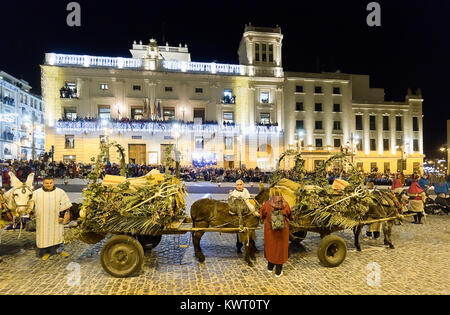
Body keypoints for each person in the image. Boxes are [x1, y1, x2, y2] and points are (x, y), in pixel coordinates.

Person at [31, 176, 72, 260]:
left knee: (58, 234)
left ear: (53, 182)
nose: (48, 185)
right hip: (42, 219)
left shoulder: (60, 192)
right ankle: (45, 252)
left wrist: (61, 216)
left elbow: (64, 205)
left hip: (56, 218)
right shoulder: (36, 193)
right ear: (43, 183)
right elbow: (30, 205)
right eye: (46, 183)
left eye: (50, 183)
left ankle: (59, 250)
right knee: (44, 236)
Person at [259, 188, 291, 277]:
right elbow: (290, 215)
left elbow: (261, 214)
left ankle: (270, 268)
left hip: (270, 231)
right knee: (280, 249)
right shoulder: (286, 204)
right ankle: (278, 271)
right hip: (282, 231)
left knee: (271, 248)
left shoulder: (267, 204)